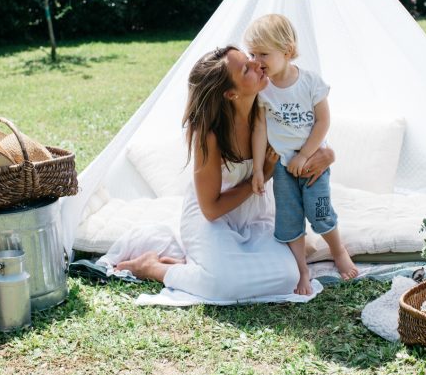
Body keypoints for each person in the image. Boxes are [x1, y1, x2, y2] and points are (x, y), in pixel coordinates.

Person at [116, 46, 334, 301]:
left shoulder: (271, 108)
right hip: (212, 219)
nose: (257, 64)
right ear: (231, 93)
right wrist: (261, 174)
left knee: (288, 276)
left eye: (250, 59)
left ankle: (203, 263)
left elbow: (312, 141)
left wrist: (327, 155)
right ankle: (154, 267)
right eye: (246, 69)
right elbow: (210, 208)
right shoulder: (208, 134)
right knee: (223, 284)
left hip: (257, 214)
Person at [246, 14, 358, 296]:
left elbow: (322, 123)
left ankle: (338, 250)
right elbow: (259, 129)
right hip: (283, 168)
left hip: (313, 162)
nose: (256, 60)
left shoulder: (310, 83)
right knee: (289, 219)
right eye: (252, 53)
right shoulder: (263, 89)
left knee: (319, 213)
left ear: (286, 51)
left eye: (263, 54)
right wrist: (259, 169)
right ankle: (302, 269)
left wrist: (305, 155)